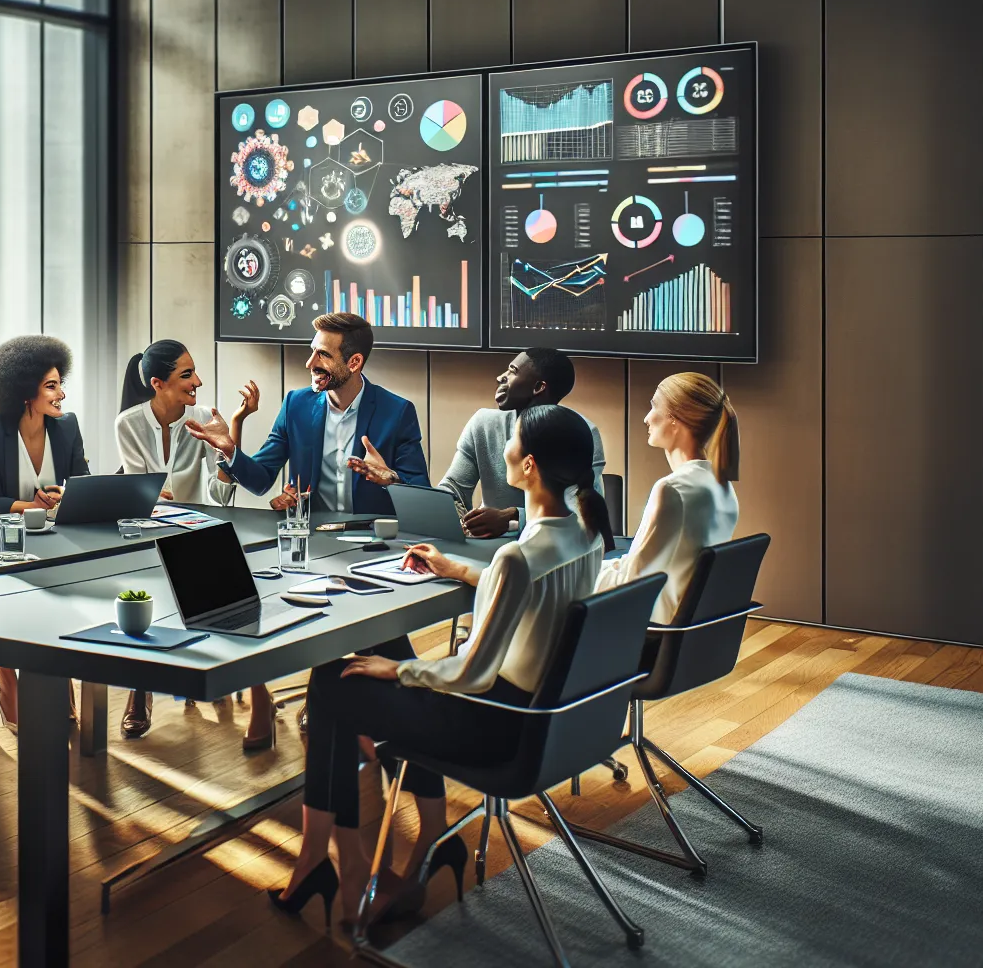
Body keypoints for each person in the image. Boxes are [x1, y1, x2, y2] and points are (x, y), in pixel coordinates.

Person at [276, 404, 612, 927]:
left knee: (331, 681)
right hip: (545, 720)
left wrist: (399, 674)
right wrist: (456, 567)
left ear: (528, 468)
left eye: (514, 440)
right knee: (383, 645)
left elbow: (471, 674)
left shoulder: (519, 558)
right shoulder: (586, 535)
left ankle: (339, 868)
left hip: (491, 728)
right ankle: (404, 844)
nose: (506, 445)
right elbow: (527, 590)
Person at [113, 341, 268, 743]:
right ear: (157, 383)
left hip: (196, 531)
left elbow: (217, 498)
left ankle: (251, 687)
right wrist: (154, 499)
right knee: (143, 580)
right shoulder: (128, 424)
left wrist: (233, 429)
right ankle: (140, 689)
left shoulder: (202, 418)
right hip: (150, 534)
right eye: (186, 375)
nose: (198, 382)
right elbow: (141, 493)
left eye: (195, 372)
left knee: (224, 574)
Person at [184, 312, 429, 515]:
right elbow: (261, 480)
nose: (310, 363)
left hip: (373, 542)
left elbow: (422, 498)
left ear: (354, 363)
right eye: (312, 351)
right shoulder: (296, 405)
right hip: (312, 538)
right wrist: (229, 449)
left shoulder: (397, 412)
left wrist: (391, 478)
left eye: (322, 354)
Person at [0, 335, 90, 728]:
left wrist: (66, 495)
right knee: (1, 596)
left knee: (71, 594)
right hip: (4, 542)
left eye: (60, 383)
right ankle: (6, 678)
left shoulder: (67, 427)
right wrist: (29, 506)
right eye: (51, 385)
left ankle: (60, 678)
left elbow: (83, 483)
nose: (61, 394)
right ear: (26, 392)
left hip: (57, 540)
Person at [596, 371, 740, 622]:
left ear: (675, 419)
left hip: (645, 630)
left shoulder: (672, 490)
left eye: (653, 406)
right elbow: (637, 568)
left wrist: (571, 575)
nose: (646, 418)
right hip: (685, 629)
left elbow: (632, 582)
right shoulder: (721, 486)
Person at [437, 347, 605, 538]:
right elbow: (453, 487)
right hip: (487, 545)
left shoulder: (582, 433)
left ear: (538, 387)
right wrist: (453, 515)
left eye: (512, 372)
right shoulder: (483, 423)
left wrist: (513, 519)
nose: (501, 377)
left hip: (551, 547)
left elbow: (583, 514)